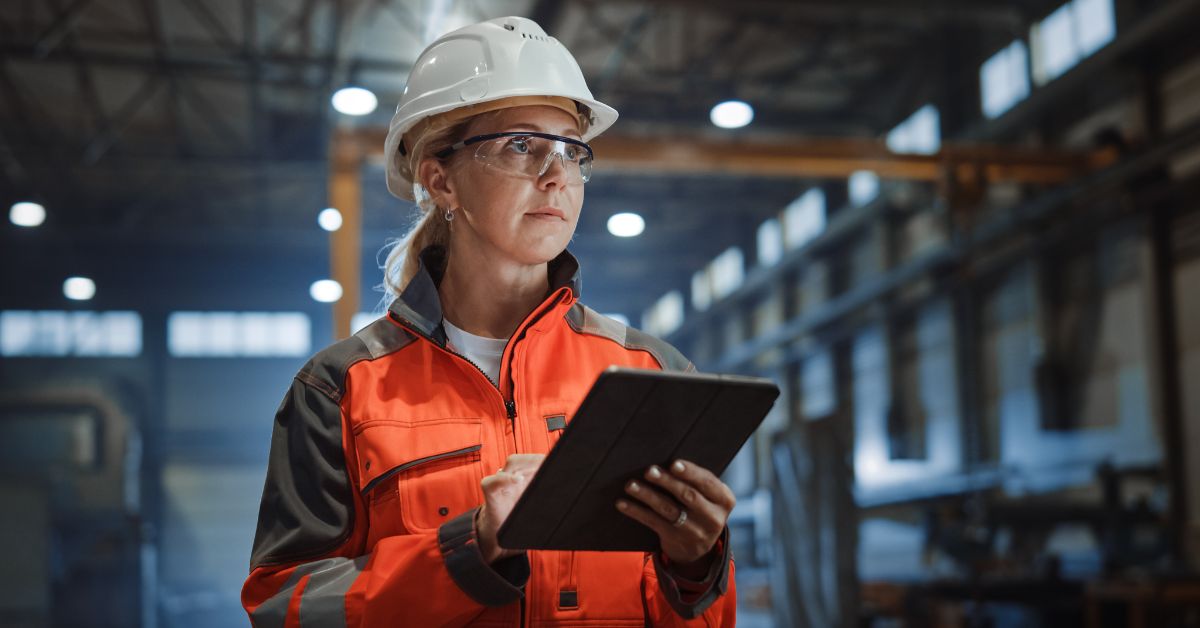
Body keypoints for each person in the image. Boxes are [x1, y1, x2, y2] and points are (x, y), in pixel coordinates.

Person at [242, 16, 737, 626]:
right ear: (440, 180)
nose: (557, 174)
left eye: (571, 150)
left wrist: (696, 567)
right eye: (521, 145)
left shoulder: (654, 373)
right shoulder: (339, 390)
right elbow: (284, 607)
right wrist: (468, 549)